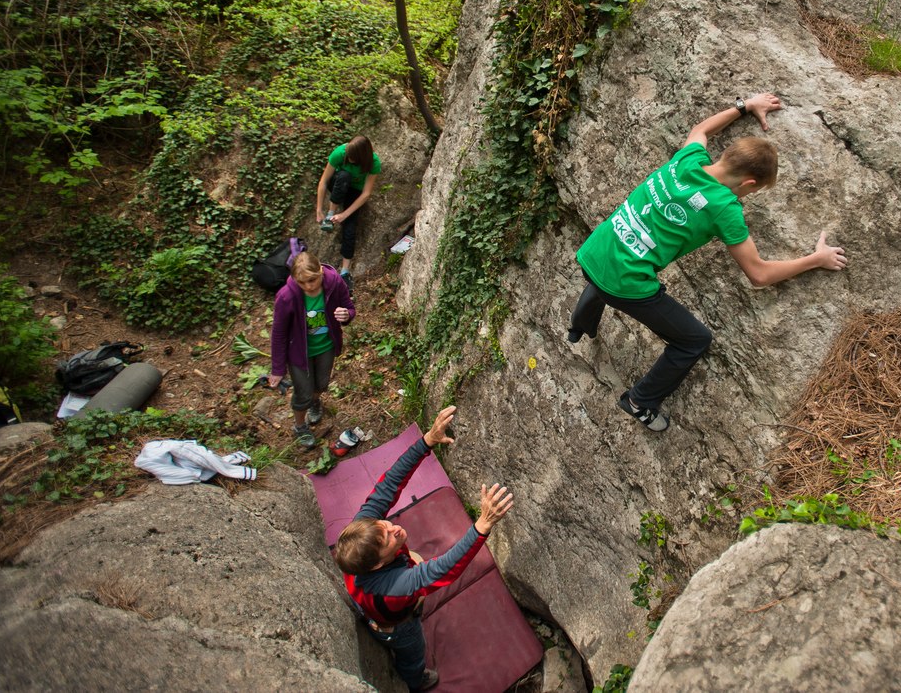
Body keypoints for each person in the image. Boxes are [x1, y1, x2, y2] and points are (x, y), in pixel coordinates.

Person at [568, 92, 847, 431]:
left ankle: (579, 324)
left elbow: (701, 130)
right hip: (626, 282)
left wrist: (745, 106)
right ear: (748, 183)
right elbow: (758, 274)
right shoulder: (725, 208)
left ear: (725, 155)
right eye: (753, 192)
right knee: (693, 339)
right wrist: (815, 259)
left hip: (595, 250)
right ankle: (641, 400)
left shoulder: (687, 161)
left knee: (610, 274)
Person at [334, 405, 514, 693]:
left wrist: (427, 440)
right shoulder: (394, 586)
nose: (393, 528)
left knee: (402, 560)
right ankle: (415, 680)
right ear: (378, 565)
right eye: (387, 539)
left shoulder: (361, 535)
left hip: (369, 600)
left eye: (383, 525)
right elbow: (443, 569)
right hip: (396, 624)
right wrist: (482, 524)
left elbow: (389, 484)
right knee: (412, 652)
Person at [269, 251, 355, 449]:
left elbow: (349, 307)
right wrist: (277, 369)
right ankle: (300, 426)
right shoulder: (286, 296)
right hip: (299, 353)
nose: (308, 286)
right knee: (303, 393)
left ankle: (315, 403)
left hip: (325, 346)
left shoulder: (334, 283)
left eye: (312, 280)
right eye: (302, 282)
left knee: (321, 384)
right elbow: (279, 334)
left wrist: (346, 315)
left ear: (321, 271)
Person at [315, 134, 382, 287]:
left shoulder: (374, 163)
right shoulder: (340, 153)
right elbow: (324, 181)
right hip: (338, 182)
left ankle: (345, 271)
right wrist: (319, 209)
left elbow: (366, 194)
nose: (349, 158)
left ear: (361, 157)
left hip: (355, 192)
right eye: (348, 156)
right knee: (344, 175)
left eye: (352, 157)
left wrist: (345, 215)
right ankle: (330, 214)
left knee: (350, 228)